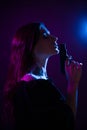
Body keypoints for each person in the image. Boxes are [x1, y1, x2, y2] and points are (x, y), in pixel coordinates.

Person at [2, 22, 82, 130]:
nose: (55, 38)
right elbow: (66, 122)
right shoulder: (32, 86)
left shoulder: (38, 83)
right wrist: (73, 83)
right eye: (45, 36)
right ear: (29, 46)